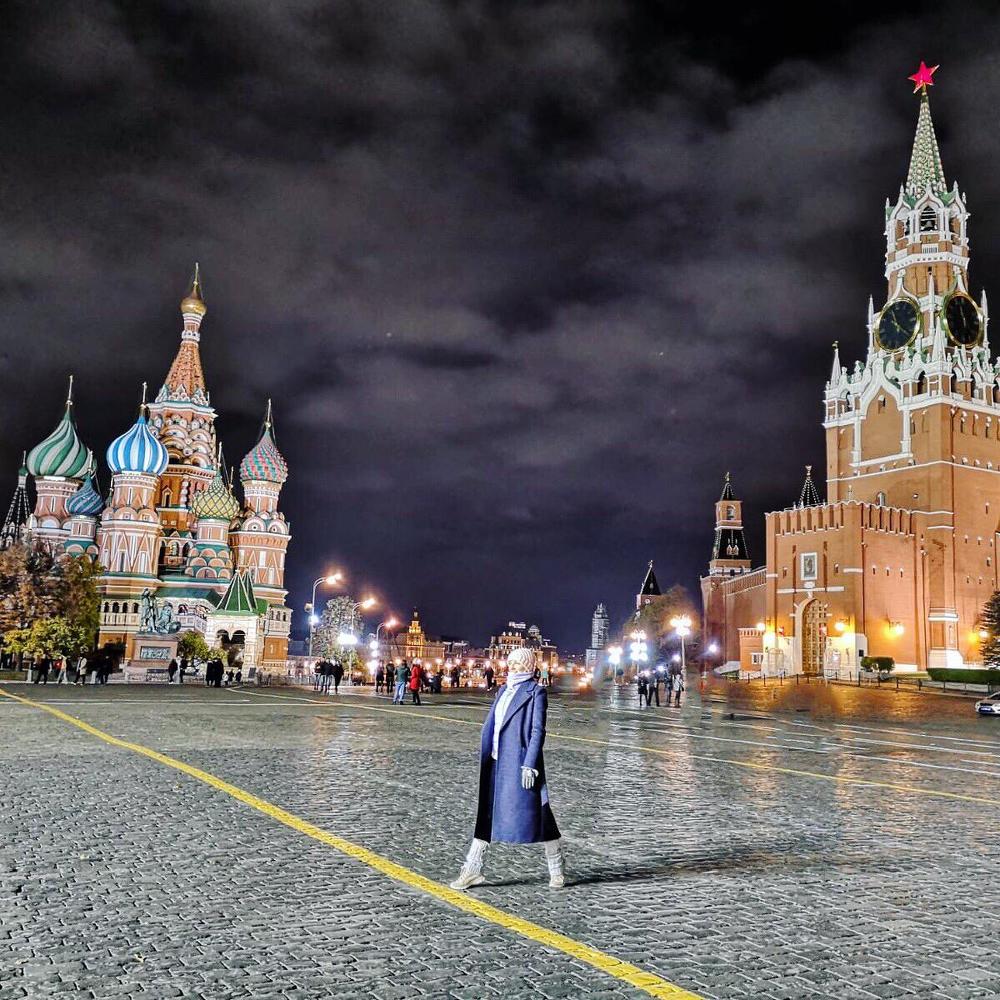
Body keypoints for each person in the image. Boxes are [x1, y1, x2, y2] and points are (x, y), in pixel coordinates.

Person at [450, 647, 564, 891]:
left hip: (519, 762)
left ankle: (556, 866)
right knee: (486, 814)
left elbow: (537, 731)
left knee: (539, 813)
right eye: (510, 662)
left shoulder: (536, 692)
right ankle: (472, 869)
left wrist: (530, 764)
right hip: (495, 760)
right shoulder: (503, 690)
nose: (512, 667)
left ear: (528, 666)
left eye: (518, 663)